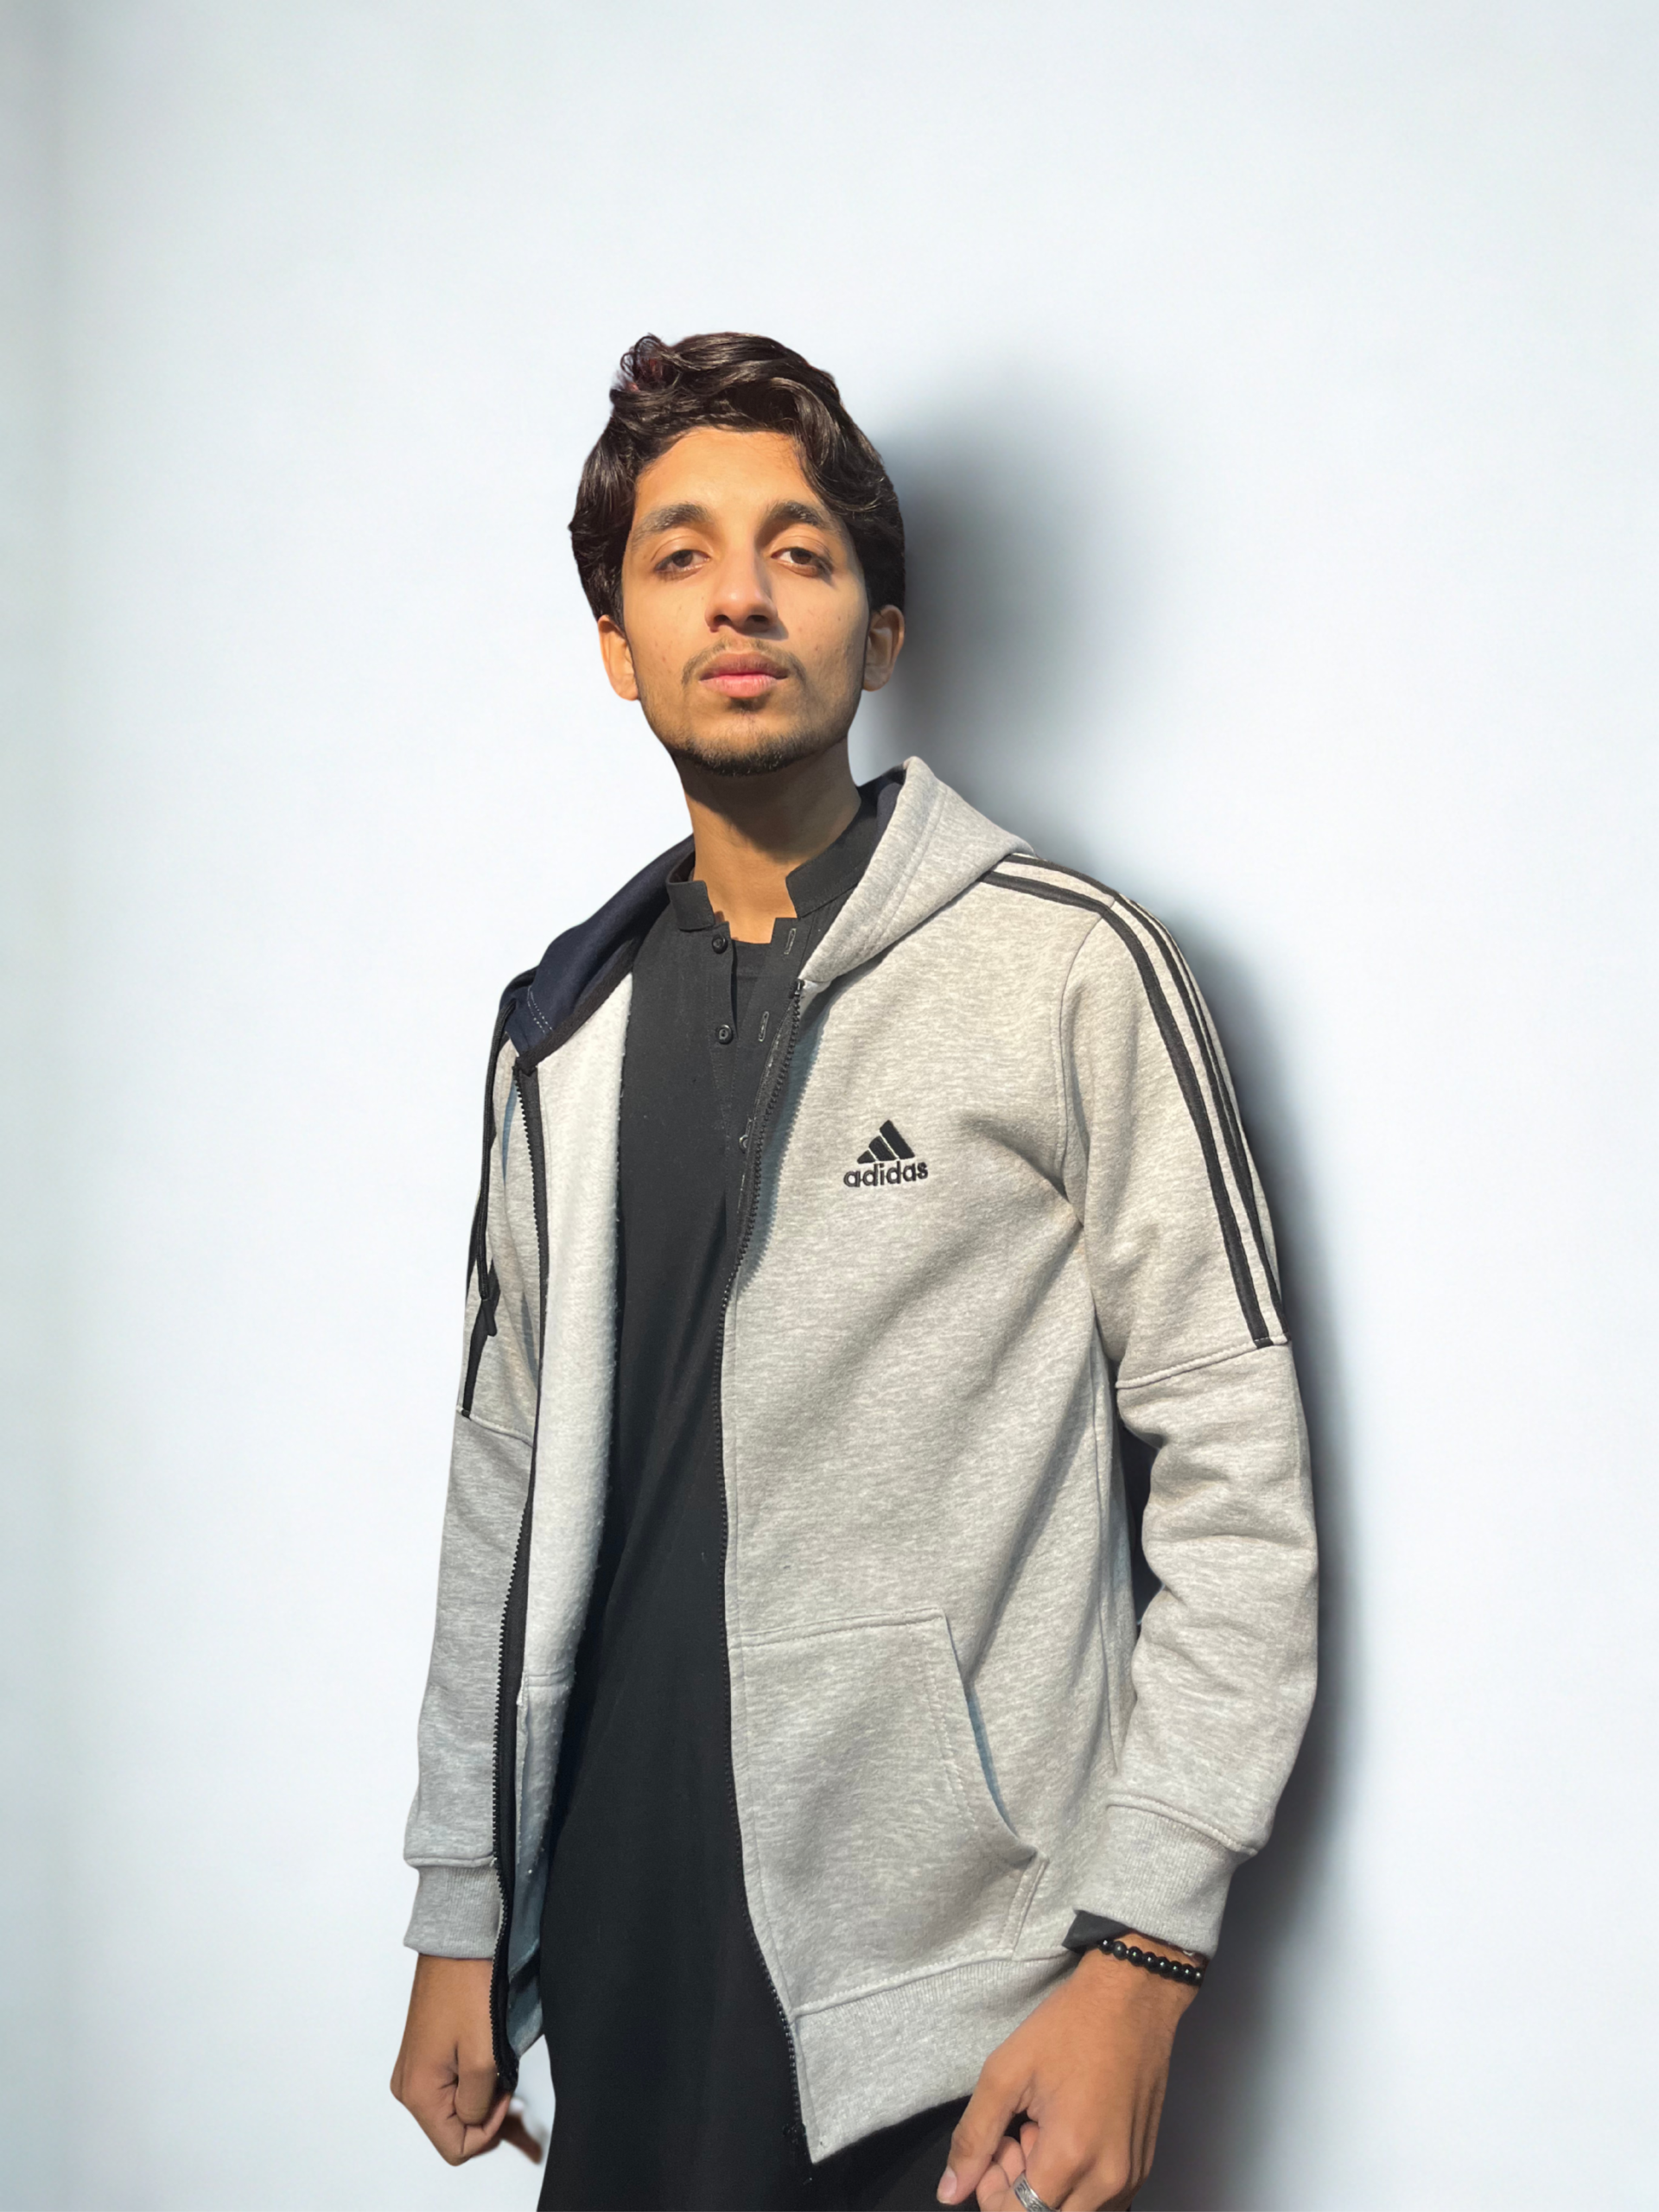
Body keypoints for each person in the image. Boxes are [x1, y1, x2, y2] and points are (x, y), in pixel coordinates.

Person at [389, 332, 1318, 2212]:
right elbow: (502, 1479)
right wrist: (460, 1906)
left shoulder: (1071, 968)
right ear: (617, 642)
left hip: (960, 2014)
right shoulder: (556, 1030)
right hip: (624, 1971)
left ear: (880, 631)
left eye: (797, 552)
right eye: (680, 556)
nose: (740, 596)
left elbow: (1236, 1471)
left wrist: (1140, 1959)